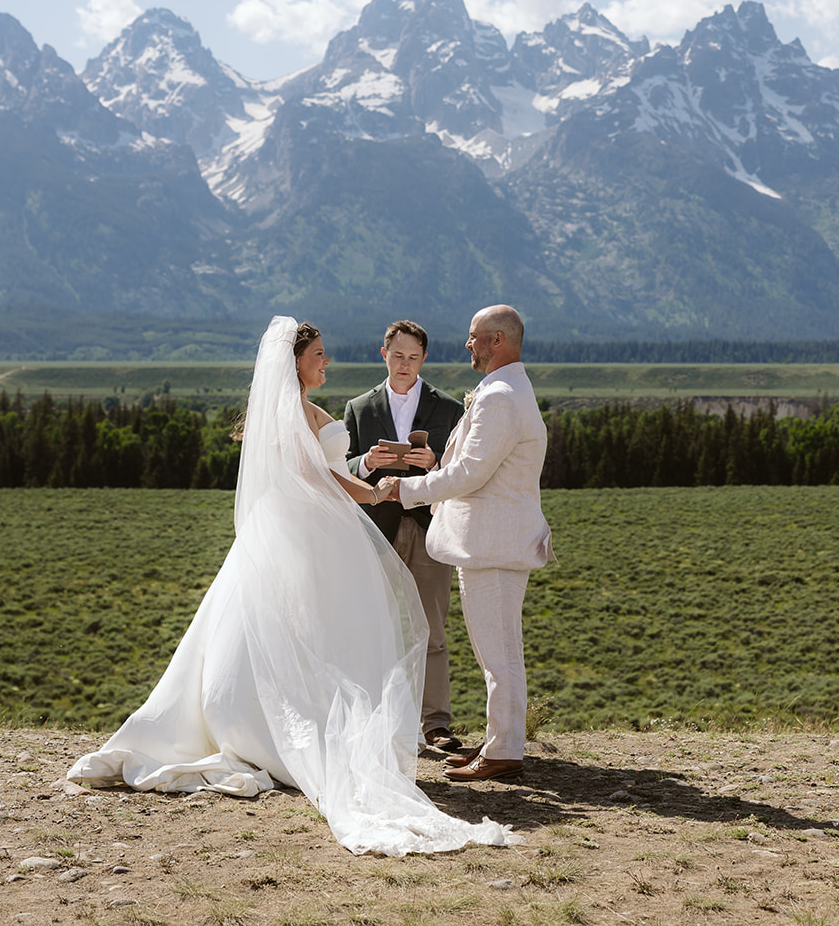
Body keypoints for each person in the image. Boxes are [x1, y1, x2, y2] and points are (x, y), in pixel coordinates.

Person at [68, 317, 517, 856]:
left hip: (323, 536)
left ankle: (303, 720)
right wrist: (373, 493)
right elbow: (317, 475)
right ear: (295, 361)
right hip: (304, 538)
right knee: (291, 629)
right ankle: (266, 729)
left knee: (319, 635)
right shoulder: (291, 414)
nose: (327, 361)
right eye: (319, 354)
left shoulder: (307, 410)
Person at [376, 305, 551, 783]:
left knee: (498, 654)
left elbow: (470, 473)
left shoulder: (499, 396)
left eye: (474, 338)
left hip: (491, 543)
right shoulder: (510, 387)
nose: (468, 345)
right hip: (497, 540)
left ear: (497, 340)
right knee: (501, 651)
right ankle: (501, 741)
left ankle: (504, 751)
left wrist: (404, 487)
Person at [344, 320, 466, 751]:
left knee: (432, 629)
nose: (405, 364)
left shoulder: (450, 410)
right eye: (398, 356)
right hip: (376, 530)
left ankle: (435, 724)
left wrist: (434, 462)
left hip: (429, 530)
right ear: (384, 354)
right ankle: (373, 719)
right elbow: (341, 468)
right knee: (372, 625)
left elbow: (463, 473)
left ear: (424, 359)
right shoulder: (358, 408)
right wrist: (366, 462)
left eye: (413, 357)